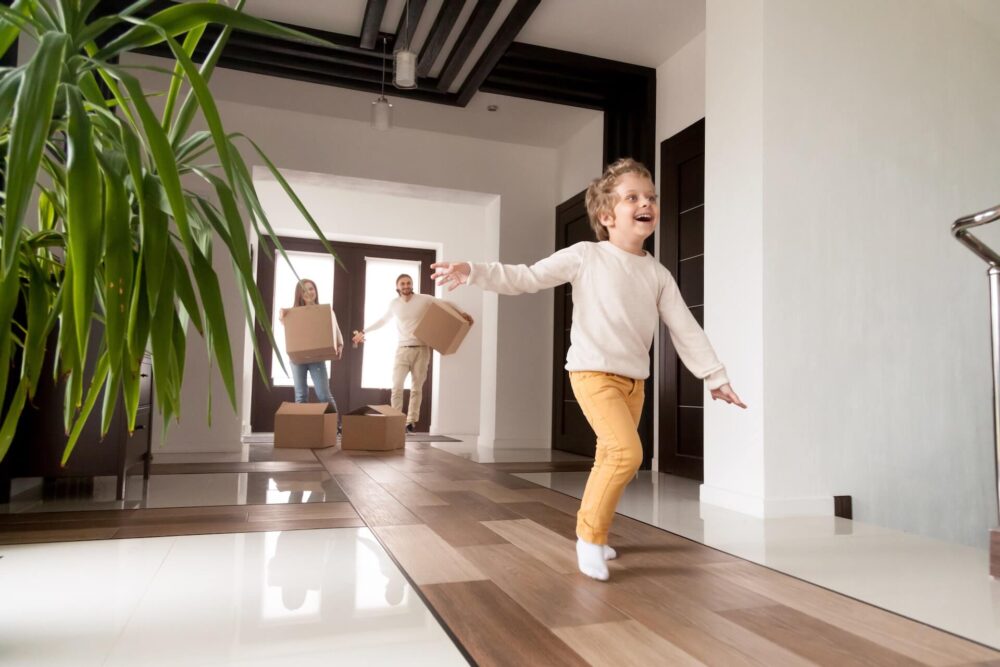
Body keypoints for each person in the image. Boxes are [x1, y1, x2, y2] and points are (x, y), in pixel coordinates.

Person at [430, 158, 746, 582]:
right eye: (632, 197)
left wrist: (715, 376)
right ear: (605, 215)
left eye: (650, 197)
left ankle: (594, 530)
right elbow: (526, 277)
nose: (645, 202)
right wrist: (475, 271)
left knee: (611, 458)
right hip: (592, 374)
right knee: (626, 453)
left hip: (634, 382)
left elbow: (684, 326)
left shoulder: (656, 273)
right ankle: (589, 536)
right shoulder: (586, 256)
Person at [351, 274, 473, 433]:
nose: (406, 286)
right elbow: (382, 321)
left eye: (408, 283)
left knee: (416, 388)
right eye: (402, 284)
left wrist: (462, 312)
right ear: (397, 287)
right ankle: (395, 419)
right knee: (397, 387)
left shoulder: (424, 299)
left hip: (422, 349)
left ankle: (410, 422)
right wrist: (363, 332)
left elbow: (446, 303)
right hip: (402, 350)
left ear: (412, 285)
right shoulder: (394, 304)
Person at [279, 279, 343, 414]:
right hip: (297, 359)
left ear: (316, 291)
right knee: (301, 396)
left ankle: (335, 427)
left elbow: (335, 329)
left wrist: (340, 345)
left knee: (324, 395)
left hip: (317, 358)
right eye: (304, 290)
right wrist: (282, 316)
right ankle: (304, 429)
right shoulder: (293, 313)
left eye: (311, 288)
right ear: (299, 294)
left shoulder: (325, 311)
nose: (309, 292)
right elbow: (288, 329)